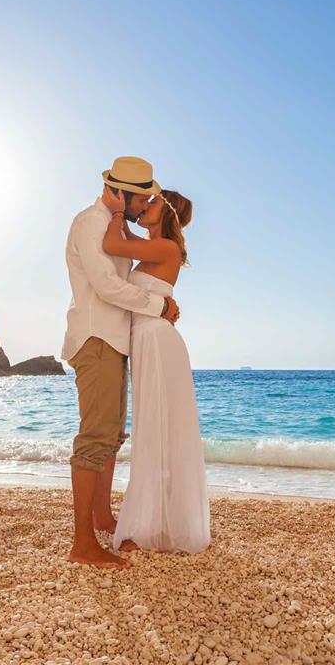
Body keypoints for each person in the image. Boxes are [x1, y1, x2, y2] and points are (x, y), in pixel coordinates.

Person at [61, 155, 180, 569]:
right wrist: (157, 304)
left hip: (113, 342)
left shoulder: (111, 224)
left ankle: (102, 518)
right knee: (96, 438)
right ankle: (82, 543)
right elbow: (107, 286)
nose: (142, 205)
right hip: (96, 339)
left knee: (111, 437)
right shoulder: (90, 223)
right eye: (140, 198)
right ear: (119, 193)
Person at [102, 186, 210, 554]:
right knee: (152, 429)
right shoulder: (151, 243)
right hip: (145, 342)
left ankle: (153, 529)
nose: (144, 206)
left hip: (158, 342)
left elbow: (114, 245)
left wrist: (116, 210)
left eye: (152, 202)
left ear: (166, 212)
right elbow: (124, 241)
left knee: (159, 430)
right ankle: (154, 524)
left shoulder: (166, 248)